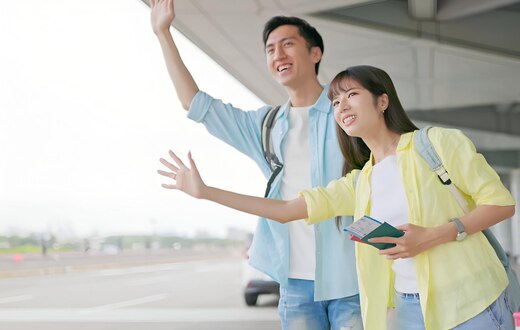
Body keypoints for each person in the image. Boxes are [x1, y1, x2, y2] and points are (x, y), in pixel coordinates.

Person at [158, 65, 516, 330]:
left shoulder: (437, 143)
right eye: (336, 100)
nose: (341, 104)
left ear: (382, 100)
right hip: (410, 309)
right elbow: (285, 210)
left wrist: (433, 235)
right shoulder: (360, 182)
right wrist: (206, 192)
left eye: (352, 94)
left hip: (472, 299)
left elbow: (501, 202)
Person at [149, 0, 362, 328]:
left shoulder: (347, 113)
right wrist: (163, 33)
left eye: (288, 44)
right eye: (270, 49)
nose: (278, 55)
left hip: (350, 278)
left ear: (315, 53)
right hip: (293, 283)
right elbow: (194, 103)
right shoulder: (266, 125)